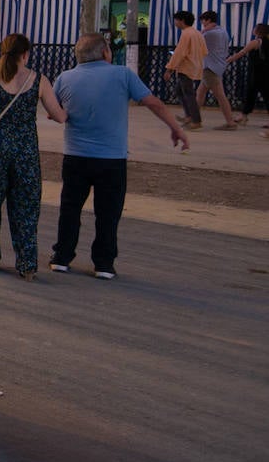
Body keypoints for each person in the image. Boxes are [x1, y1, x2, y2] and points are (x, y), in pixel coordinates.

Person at [51, 32, 189, 279]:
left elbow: (54, 111)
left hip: (75, 156)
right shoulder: (122, 75)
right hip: (111, 159)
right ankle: (103, 264)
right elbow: (154, 103)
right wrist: (175, 128)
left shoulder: (64, 78)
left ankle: (61, 258)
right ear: (105, 52)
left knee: (70, 208)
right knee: (108, 212)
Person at [0, 34, 66, 279]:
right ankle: (26, 265)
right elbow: (59, 116)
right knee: (26, 209)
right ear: (25, 54)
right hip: (25, 153)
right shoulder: (38, 80)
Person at [163, 11, 206, 131]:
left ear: (181, 20)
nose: (175, 22)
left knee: (188, 94)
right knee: (180, 91)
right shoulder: (197, 33)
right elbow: (204, 51)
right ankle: (188, 116)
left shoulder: (186, 34)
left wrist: (169, 69)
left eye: (176, 20)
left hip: (186, 68)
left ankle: (196, 120)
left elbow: (179, 53)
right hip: (195, 66)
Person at [198, 11, 237, 130]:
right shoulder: (223, 32)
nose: (203, 24)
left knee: (220, 95)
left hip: (210, 67)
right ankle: (191, 117)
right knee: (200, 92)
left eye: (203, 21)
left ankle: (230, 122)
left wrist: (204, 30)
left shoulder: (209, 34)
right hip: (218, 65)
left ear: (208, 20)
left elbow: (197, 40)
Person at [226, 23, 269, 124]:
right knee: (253, 94)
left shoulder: (256, 42)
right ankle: (243, 115)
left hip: (257, 72)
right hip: (266, 72)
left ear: (258, 31)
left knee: (254, 94)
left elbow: (242, 52)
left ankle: (243, 115)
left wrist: (229, 60)